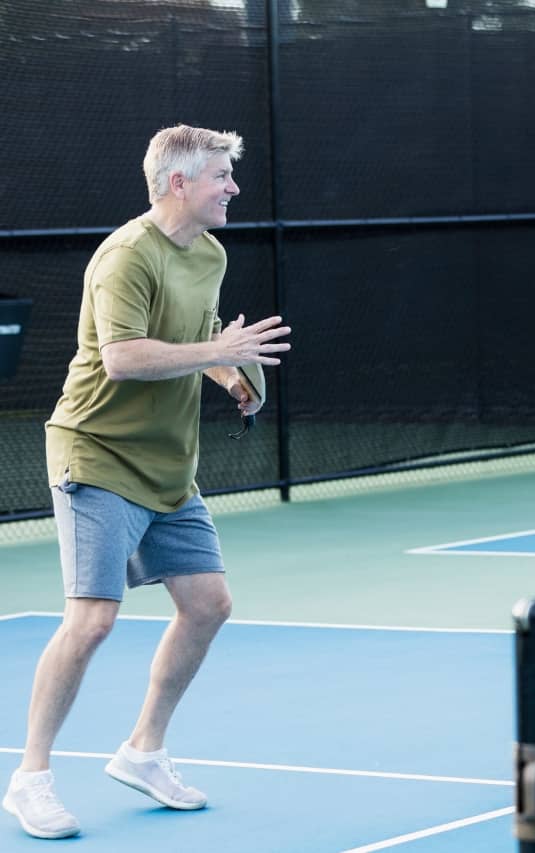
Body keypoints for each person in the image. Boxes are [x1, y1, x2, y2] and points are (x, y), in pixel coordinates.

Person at [2, 125, 291, 839]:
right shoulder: (125, 256)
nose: (233, 187)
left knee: (208, 602)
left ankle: (143, 750)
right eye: (222, 175)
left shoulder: (211, 253)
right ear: (178, 183)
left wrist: (226, 372)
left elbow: (192, 335)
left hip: (169, 464)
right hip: (97, 454)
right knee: (93, 617)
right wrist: (217, 347)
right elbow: (124, 357)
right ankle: (29, 777)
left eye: (231, 175)